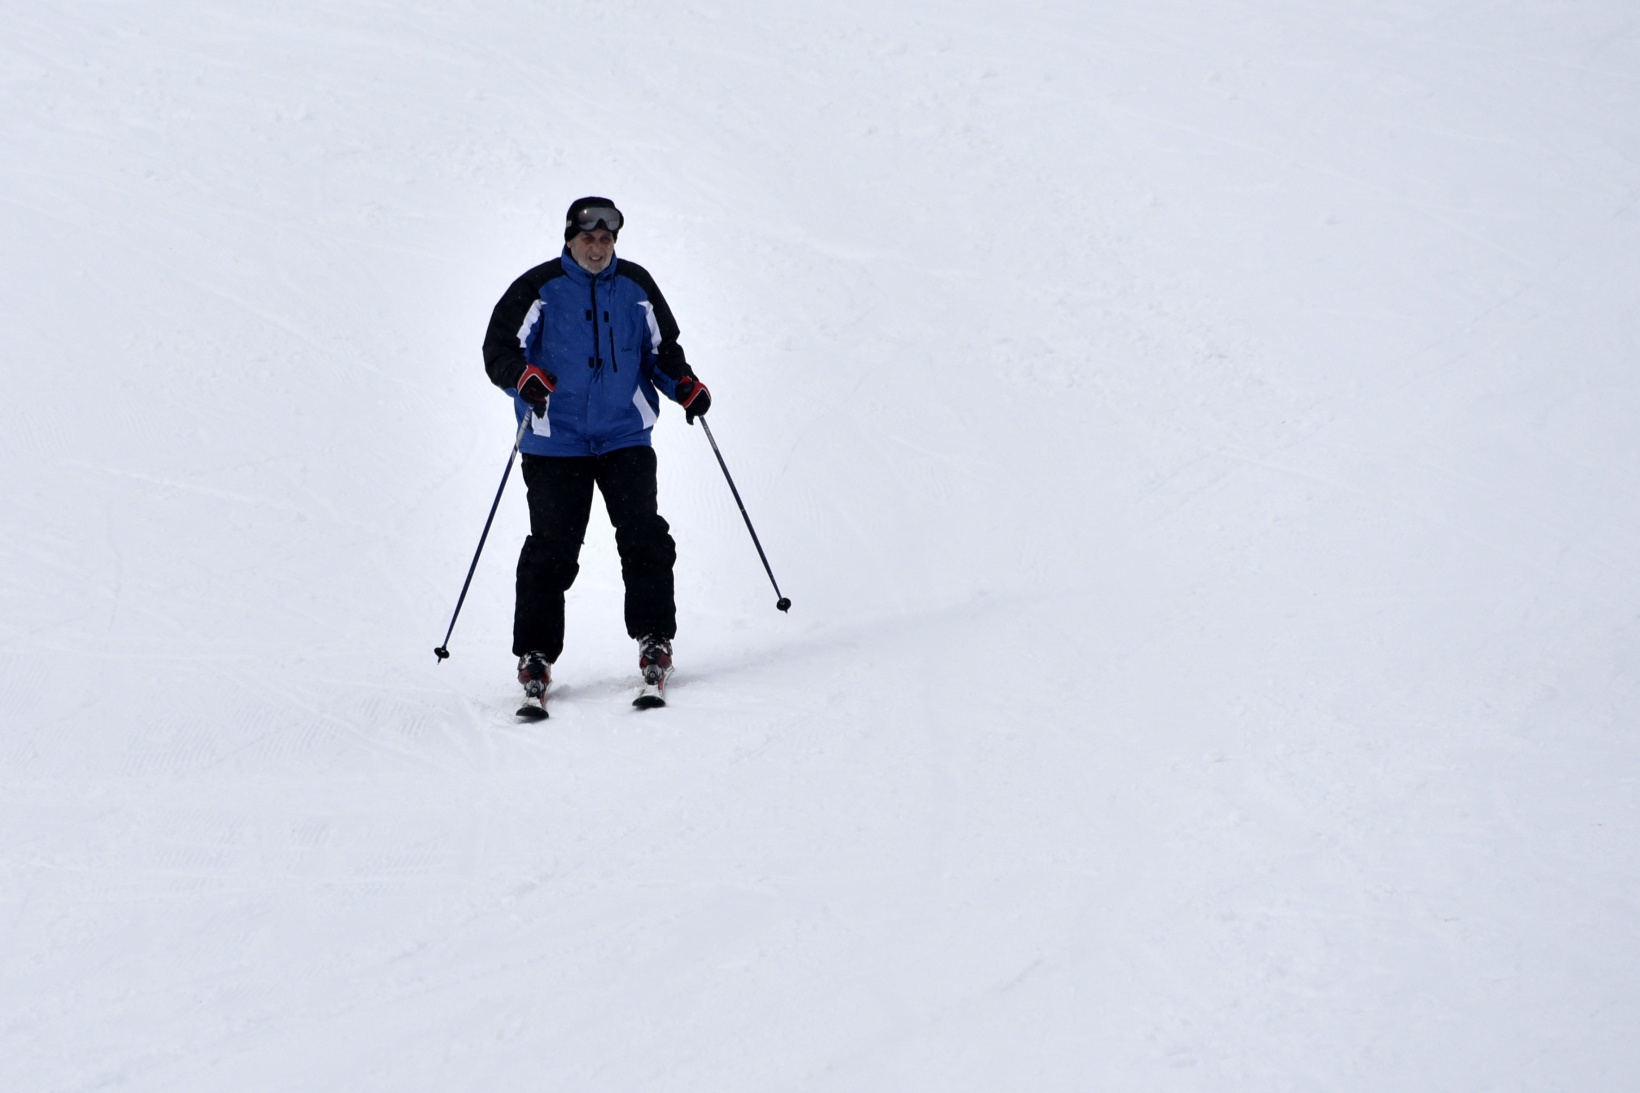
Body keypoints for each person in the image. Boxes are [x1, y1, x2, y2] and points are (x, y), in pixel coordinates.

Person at [481, 197, 711, 711]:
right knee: (552, 548)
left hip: (624, 434)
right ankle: (536, 655)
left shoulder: (636, 287)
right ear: (570, 238)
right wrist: (524, 377)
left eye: (607, 239)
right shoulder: (538, 289)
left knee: (643, 534)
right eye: (589, 238)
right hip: (554, 439)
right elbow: (499, 349)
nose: (598, 247)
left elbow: (661, 352)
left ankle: (655, 640)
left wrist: (684, 386)